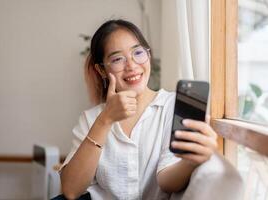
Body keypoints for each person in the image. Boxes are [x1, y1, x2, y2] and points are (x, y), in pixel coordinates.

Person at [59, 19, 217, 200]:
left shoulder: (171, 107)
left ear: (148, 55)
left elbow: (166, 182)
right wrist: (105, 120)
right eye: (118, 59)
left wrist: (192, 160)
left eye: (138, 52)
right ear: (101, 70)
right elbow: (71, 190)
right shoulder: (91, 119)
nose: (132, 65)